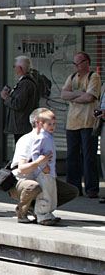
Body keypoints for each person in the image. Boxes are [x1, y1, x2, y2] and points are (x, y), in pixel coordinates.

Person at [10, 108, 78, 222]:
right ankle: (22, 211)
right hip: (22, 181)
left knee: (70, 191)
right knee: (33, 186)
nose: (52, 126)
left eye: (54, 123)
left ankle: (38, 209)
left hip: (42, 176)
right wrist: (39, 163)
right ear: (38, 123)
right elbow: (21, 169)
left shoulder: (47, 138)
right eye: (49, 123)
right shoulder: (27, 140)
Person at [61, 51, 101, 198]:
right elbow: (63, 94)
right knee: (72, 156)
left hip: (87, 122)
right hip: (72, 123)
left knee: (88, 156)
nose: (76, 66)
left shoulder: (93, 77)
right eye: (75, 63)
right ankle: (73, 187)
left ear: (86, 62)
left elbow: (90, 97)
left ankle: (91, 188)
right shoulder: (72, 77)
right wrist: (79, 94)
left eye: (78, 63)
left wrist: (73, 96)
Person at [1, 56, 39, 146]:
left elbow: (18, 104)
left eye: (15, 66)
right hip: (23, 125)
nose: (14, 69)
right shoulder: (28, 82)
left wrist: (5, 97)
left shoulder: (25, 83)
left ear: (20, 68)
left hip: (21, 126)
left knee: (23, 152)